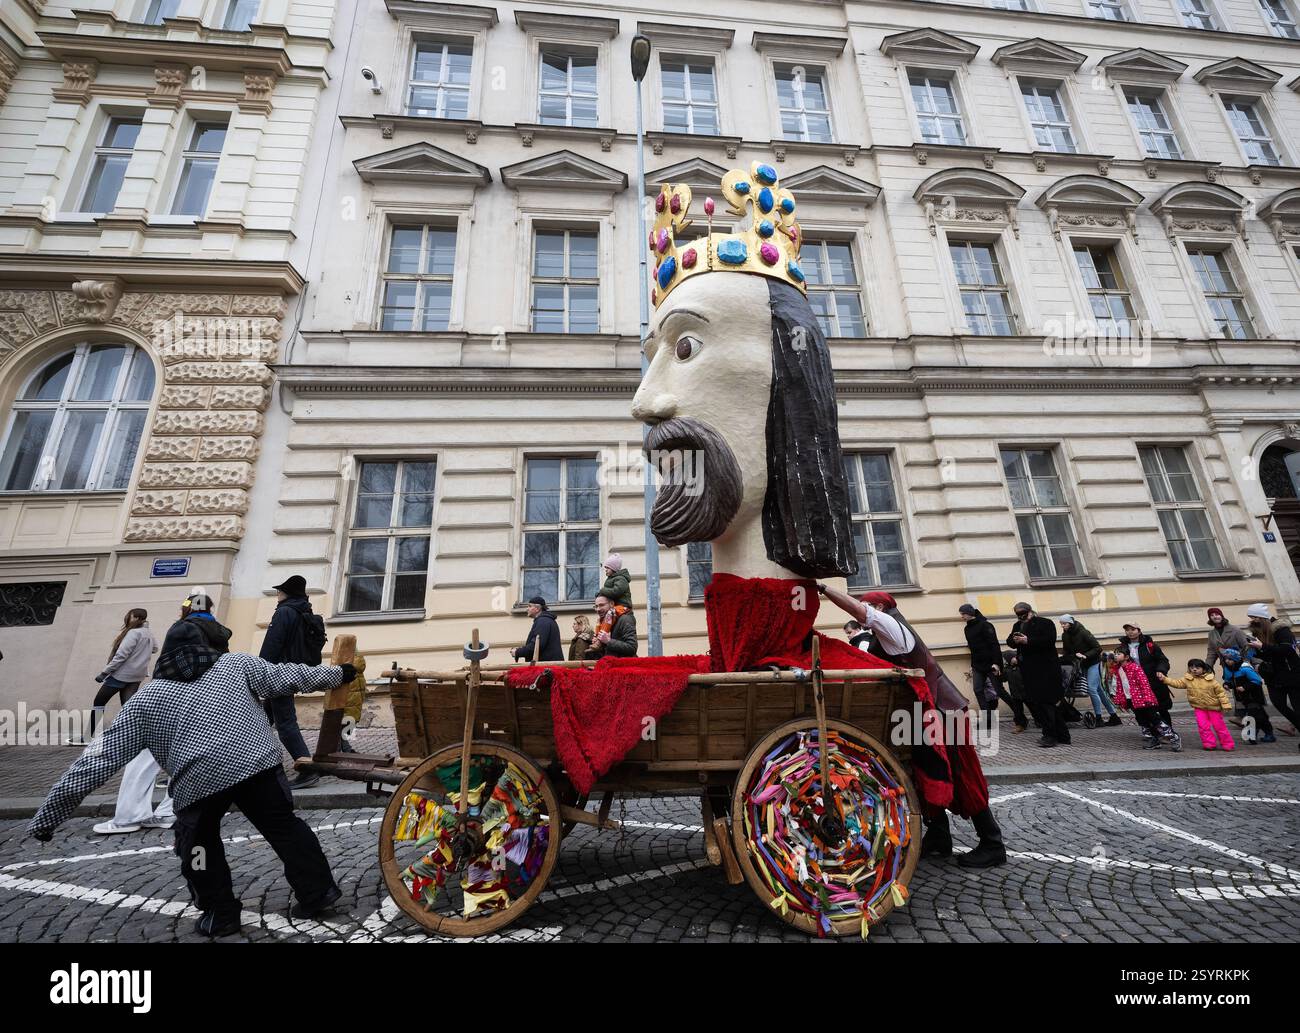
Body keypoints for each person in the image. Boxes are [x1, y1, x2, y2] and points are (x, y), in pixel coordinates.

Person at [29, 652, 357, 937]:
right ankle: (319, 893)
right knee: (286, 829)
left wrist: (47, 819)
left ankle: (220, 913)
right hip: (257, 763)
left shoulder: (146, 698)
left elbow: (96, 762)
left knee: (199, 846)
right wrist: (339, 673)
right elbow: (289, 675)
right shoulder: (234, 664)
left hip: (201, 780)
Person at [820, 586, 1007, 869]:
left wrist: (822, 588)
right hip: (921, 712)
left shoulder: (892, 626)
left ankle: (992, 843)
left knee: (961, 774)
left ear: (879, 609)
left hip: (943, 711)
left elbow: (859, 612)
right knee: (925, 773)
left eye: (867, 607)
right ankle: (939, 837)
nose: (863, 613)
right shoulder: (885, 633)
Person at [259, 575, 327, 791]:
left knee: (285, 723)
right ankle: (251, 764)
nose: (277, 594)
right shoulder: (303, 611)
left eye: (279, 591)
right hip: (294, 670)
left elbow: (273, 643)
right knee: (260, 719)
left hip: (279, 672)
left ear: (286, 593)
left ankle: (308, 769)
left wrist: (261, 670)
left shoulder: (284, 612)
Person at [70, 609, 158, 746]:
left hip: (121, 675)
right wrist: (140, 653)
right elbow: (155, 649)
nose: (127, 618)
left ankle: (87, 736)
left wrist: (104, 673)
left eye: (129, 616)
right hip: (136, 676)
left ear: (134, 617)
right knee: (129, 707)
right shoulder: (148, 633)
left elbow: (121, 656)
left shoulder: (133, 633)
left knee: (99, 701)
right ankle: (140, 738)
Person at [1006, 602, 1070, 747]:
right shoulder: (1018, 626)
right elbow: (1010, 641)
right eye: (1018, 615)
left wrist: (1027, 640)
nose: (1021, 617)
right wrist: (1015, 640)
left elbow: (1049, 641)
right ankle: (1063, 735)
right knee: (1042, 704)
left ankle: (1050, 736)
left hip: (1046, 669)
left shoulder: (1045, 623)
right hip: (1029, 671)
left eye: (1023, 614)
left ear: (1030, 612)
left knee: (1047, 703)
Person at [1105, 650, 1180, 750]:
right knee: (1142, 720)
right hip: (1131, 699)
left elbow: (1144, 684)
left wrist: (1147, 698)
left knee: (1155, 719)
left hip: (1144, 699)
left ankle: (1174, 737)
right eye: (1115, 654)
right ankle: (1152, 740)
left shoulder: (1135, 668)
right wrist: (1120, 699)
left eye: (1118, 654)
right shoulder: (1119, 669)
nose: (1116, 656)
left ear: (1127, 657)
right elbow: (1120, 685)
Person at [1245, 603, 1300, 737]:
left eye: (1254, 617)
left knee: (1298, 707)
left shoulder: (1282, 630)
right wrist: (1255, 650)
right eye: (1251, 617)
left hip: (1291, 674)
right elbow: (1268, 654)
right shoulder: (1260, 631)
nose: (1253, 620)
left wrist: (1262, 646)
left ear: (1262, 617)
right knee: (1278, 703)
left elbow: (1287, 650)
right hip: (1273, 676)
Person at [1160, 659, 1234, 752]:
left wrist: (1226, 705)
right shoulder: (1188, 679)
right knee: (1203, 726)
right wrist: (1165, 679)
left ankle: (1228, 744)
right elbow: (1177, 683)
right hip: (1199, 708)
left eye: (1197, 668)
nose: (1194, 669)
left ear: (1203, 669)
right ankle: (1209, 744)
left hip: (1214, 708)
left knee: (1219, 726)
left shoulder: (1211, 680)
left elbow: (1221, 693)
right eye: (1192, 668)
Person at [154, 593, 232, 681]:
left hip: (180, 682)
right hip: (214, 682)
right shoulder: (219, 629)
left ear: (190, 608)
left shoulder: (183, 626)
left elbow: (166, 660)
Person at [1060, 614, 1118, 727]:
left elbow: (1097, 648)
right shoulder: (1065, 635)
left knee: (1091, 689)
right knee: (1099, 690)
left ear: (1070, 623)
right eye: (1061, 624)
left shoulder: (1083, 632)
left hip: (1093, 662)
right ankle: (1114, 716)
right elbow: (1067, 651)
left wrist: (1085, 655)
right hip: (1082, 664)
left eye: (1064, 623)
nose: (1062, 626)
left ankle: (1099, 718)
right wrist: (1065, 657)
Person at [1118, 624, 1173, 729]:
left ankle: (1168, 731)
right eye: (1127, 630)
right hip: (1135, 684)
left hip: (1153, 681)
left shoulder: (1150, 646)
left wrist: (1161, 670)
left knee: (1161, 709)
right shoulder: (1122, 648)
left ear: (1139, 631)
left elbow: (1163, 660)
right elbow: (1118, 663)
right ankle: (1152, 733)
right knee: (1141, 709)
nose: (1130, 632)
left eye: (1133, 629)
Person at [958, 604, 1002, 730]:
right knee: (978, 690)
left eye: (963, 614)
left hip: (990, 664)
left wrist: (996, 663)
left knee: (1000, 691)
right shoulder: (967, 629)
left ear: (969, 613)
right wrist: (972, 665)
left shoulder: (985, 625)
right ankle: (988, 720)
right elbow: (973, 649)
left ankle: (1020, 718)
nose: (962, 617)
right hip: (977, 665)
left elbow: (994, 644)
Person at [1206, 607, 1250, 729]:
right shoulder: (1212, 634)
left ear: (1222, 615)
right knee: (1236, 690)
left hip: (1241, 665)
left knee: (1245, 689)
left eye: (1217, 614)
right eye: (1212, 615)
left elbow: (1247, 647)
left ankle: (1252, 715)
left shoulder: (1235, 630)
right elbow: (1212, 652)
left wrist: (1247, 662)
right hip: (1227, 666)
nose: (1215, 616)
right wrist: (1207, 667)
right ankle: (1241, 717)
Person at [1220, 648, 1275, 744]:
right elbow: (1229, 680)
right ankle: (1269, 734)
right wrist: (1226, 685)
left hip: (1254, 696)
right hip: (1243, 698)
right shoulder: (1228, 669)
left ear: (1236, 659)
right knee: (1261, 716)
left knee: (1254, 715)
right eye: (1226, 659)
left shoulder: (1244, 668)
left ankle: (1252, 734)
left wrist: (1245, 687)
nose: (1227, 661)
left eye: (1230, 659)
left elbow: (1257, 681)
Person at [584, 595, 638, 659]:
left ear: (611, 604)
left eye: (601, 605)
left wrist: (608, 641)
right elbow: (609, 651)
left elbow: (632, 648)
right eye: (596, 606)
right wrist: (599, 645)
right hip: (611, 665)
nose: (598, 609)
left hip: (624, 666)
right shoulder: (603, 622)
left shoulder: (625, 619)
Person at [513, 596, 563, 662]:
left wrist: (518, 652)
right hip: (548, 667)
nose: (527, 609)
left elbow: (537, 645)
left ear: (537, 608)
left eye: (530, 606)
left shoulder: (543, 621)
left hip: (546, 668)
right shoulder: (545, 620)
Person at [999, 650, 1032, 733]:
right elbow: (1003, 679)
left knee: (1034, 708)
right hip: (1015, 695)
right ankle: (1020, 725)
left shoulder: (1021, 667)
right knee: (1018, 712)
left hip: (1026, 693)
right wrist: (998, 674)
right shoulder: (1007, 670)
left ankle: (1041, 722)